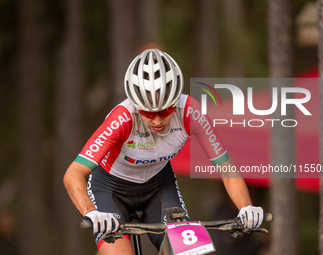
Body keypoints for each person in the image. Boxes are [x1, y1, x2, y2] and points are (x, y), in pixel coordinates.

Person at [63, 48, 264, 255]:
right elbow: (73, 174)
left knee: (190, 252)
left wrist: (246, 207)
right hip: (110, 189)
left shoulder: (190, 112)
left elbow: (226, 167)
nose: (157, 120)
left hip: (159, 187)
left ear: (175, 101)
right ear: (136, 105)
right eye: (148, 113)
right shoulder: (121, 119)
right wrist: (92, 212)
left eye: (166, 110)